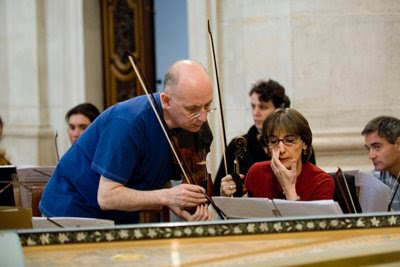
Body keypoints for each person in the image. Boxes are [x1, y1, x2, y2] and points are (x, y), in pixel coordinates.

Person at [40, 60, 214, 224]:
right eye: (192, 109)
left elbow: (154, 175)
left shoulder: (187, 125)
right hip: (73, 211)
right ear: (166, 101)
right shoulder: (129, 122)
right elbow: (107, 197)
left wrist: (175, 202)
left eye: (207, 106)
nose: (203, 117)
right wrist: (168, 196)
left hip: (119, 216)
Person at [214, 79, 315, 196]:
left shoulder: (300, 145)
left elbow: (310, 183)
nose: (255, 113)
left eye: (263, 107)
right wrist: (224, 193)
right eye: (253, 106)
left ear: (279, 110)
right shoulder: (238, 144)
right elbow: (217, 192)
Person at [222, 108, 334, 200]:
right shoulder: (256, 173)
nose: (281, 149)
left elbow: (311, 227)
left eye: (290, 140)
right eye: (274, 141)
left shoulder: (322, 182)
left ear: (305, 143)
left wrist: (289, 190)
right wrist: (227, 199)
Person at [362, 116, 400, 211]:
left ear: (399, 144)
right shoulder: (373, 182)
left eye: (377, 147)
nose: (371, 156)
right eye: (368, 149)